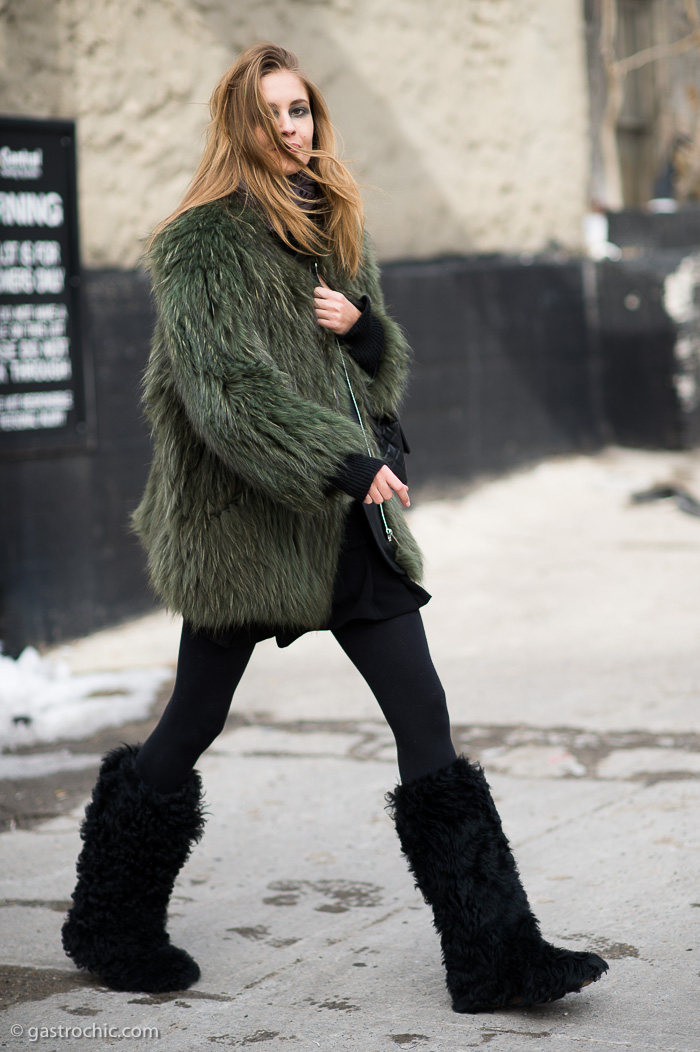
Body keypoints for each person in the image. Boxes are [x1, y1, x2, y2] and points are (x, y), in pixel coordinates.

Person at [61, 42, 608, 1013]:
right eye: (271, 112)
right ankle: (110, 919)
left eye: (301, 109)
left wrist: (363, 333)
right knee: (194, 718)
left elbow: (376, 377)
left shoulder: (337, 227)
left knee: (423, 714)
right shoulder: (199, 244)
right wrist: (338, 460)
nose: (291, 127)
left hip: (350, 523)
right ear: (241, 126)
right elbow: (225, 392)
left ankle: (494, 955)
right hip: (248, 524)